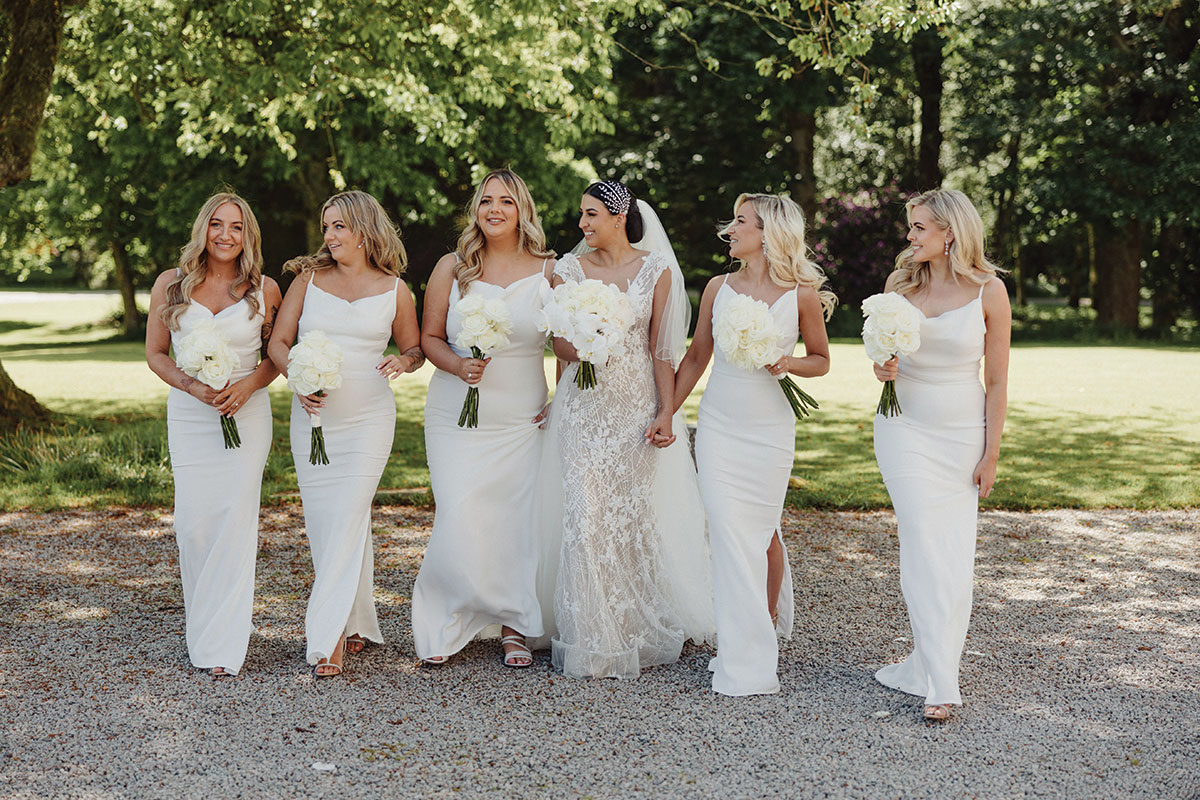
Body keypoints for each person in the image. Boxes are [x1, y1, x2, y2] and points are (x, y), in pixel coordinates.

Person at [540, 179, 714, 679]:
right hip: (582, 408)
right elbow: (558, 345)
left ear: (619, 217)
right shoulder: (568, 270)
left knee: (627, 517)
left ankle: (631, 626)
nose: (581, 224)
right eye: (581, 214)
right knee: (583, 516)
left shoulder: (656, 269)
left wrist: (666, 412)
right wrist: (587, 342)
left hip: (635, 409)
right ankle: (590, 638)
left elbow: (662, 351)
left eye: (591, 214)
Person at [673, 193, 834, 696]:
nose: (729, 229)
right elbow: (697, 356)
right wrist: (666, 412)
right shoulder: (717, 288)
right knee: (727, 529)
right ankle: (742, 646)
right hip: (719, 424)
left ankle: (760, 627)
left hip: (769, 429)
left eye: (740, 221)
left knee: (762, 532)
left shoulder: (801, 294)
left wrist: (788, 363)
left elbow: (821, 359)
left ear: (768, 233)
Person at [267, 190, 423, 677]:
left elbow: (415, 348)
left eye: (339, 226)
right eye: (326, 227)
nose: (330, 236)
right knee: (326, 521)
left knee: (350, 512)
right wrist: (297, 379)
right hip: (314, 419)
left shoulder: (395, 289)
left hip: (370, 419)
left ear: (364, 229)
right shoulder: (308, 281)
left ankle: (328, 635)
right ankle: (355, 620)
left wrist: (403, 361)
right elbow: (279, 342)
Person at [871, 188, 1011, 720]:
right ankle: (942, 685)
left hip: (961, 433)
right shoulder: (900, 285)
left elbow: (997, 382)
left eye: (920, 227)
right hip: (902, 426)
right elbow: (882, 357)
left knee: (952, 555)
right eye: (911, 227)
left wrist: (990, 454)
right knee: (922, 541)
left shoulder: (990, 291)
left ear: (950, 232)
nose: (910, 236)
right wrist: (881, 368)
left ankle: (930, 664)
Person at [411, 169, 556, 668]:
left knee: (515, 520)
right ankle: (446, 618)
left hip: (522, 414)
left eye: (506, 201)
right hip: (455, 410)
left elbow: (566, 340)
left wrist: (561, 396)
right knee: (459, 511)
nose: (494, 209)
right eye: (487, 200)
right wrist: (458, 366)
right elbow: (430, 337)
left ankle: (514, 625)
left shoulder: (550, 270)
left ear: (523, 211)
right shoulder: (453, 267)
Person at [146, 192, 281, 677]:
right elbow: (156, 354)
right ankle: (202, 625)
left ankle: (224, 643)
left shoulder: (264, 289)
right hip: (190, 415)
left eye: (237, 227)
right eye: (217, 224)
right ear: (203, 228)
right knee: (194, 525)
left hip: (247, 414)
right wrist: (192, 387)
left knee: (235, 522)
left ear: (248, 235)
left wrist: (247, 386)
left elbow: (276, 355)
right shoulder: (171, 284)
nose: (226, 235)